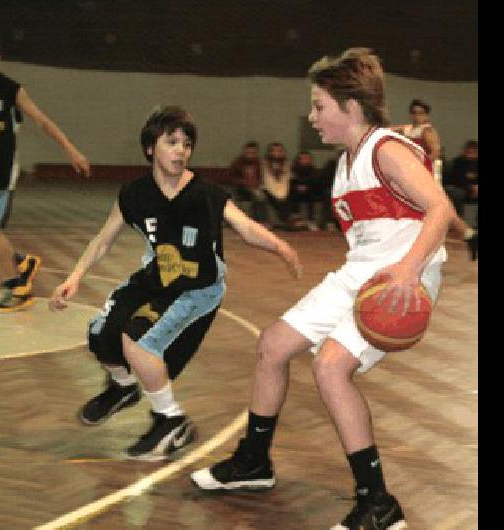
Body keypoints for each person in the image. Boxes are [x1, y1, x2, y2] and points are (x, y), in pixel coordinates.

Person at [191, 48, 456, 530]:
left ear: (350, 107)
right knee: (272, 345)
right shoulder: (344, 164)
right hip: (362, 271)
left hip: (400, 277)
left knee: (330, 367)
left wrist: (409, 269)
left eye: (319, 106)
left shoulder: (386, 149)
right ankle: (254, 462)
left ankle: (378, 505)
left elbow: (439, 207)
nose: (312, 117)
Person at [48, 106, 302, 461]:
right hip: (158, 275)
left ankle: (171, 421)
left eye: (187, 144)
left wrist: (281, 247)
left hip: (197, 287)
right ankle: (122, 388)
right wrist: (73, 278)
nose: (181, 151)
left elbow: (245, 227)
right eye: (172, 142)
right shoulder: (135, 194)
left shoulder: (206, 194)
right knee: (100, 333)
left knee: (137, 342)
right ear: (151, 147)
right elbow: (103, 239)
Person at [0, 31, 91, 312]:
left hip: (0, 171)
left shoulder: (11, 90)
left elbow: (43, 121)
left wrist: (71, 150)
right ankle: (22, 262)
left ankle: (18, 288)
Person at [392, 99, 478, 260]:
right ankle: (470, 235)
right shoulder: (409, 128)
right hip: (415, 175)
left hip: (427, 174)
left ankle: (465, 237)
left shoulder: (428, 131)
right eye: (415, 112)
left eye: (421, 113)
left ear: (426, 114)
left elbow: (435, 152)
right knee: (441, 210)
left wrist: (419, 165)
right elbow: (389, 130)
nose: (418, 116)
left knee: (435, 210)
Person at [229, 141, 267, 222]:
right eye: (248, 152)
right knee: (256, 196)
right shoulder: (238, 163)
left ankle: (261, 220)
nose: (250, 155)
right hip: (242, 187)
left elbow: (262, 177)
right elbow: (231, 177)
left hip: (256, 187)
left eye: (252, 153)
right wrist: (242, 182)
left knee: (260, 196)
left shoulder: (259, 163)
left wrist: (258, 184)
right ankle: (259, 220)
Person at [287, 150, 323, 229]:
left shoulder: (314, 170)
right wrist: (298, 186)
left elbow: (316, 183)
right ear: (298, 160)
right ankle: (295, 217)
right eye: (302, 158)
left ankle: (311, 220)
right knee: (291, 193)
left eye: (307, 158)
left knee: (312, 193)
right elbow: (292, 181)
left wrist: (306, 187)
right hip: (296, 191)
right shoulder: (293, 170)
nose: (305, 161)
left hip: (310, 192)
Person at [260, 142, 293, 228]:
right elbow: (265, 179)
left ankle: (286, 221)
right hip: (268, 189)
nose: (276, 153)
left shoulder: (287, 164)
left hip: (284, 190)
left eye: (279, 151)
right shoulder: (263, 164)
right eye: (273, 151)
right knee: (264, 196)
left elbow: (287, 179)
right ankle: (284, 221)